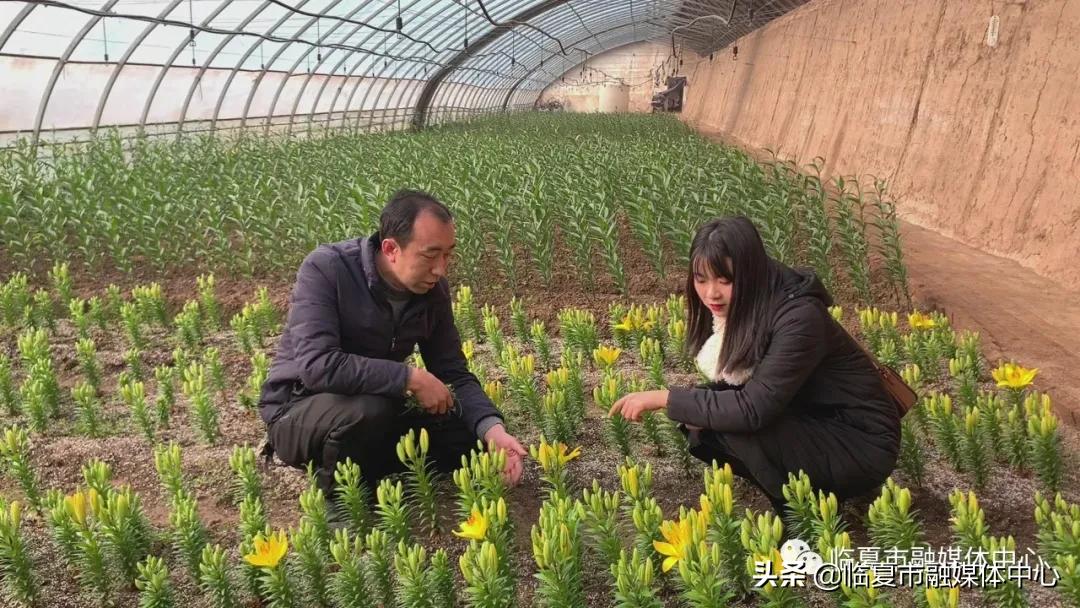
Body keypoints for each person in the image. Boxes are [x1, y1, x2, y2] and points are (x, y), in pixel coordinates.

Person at [609, 216, 900, 515]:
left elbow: (753, 410)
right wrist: (689, 404)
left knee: (730, 423)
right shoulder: (757, 299)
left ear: (751, 273)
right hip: (816, 418)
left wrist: (666, 398)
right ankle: (806, 495)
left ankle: (802, 512)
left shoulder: (800, 318)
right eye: (701, 279)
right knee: (703, 415)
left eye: (725, 280)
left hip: (862, 442)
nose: (711, 293)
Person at [258, 189, 527, 506]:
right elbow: (319, 366)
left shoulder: (432, 291)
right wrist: (409, 378)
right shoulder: (327, 269)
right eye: (430, 255)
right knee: (368, 412)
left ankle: (373, 465)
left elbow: (453, 371)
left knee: (468, 432)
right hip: (299, 410)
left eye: (448, 255)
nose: (441, 269)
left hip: (379, 402)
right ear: (390, 249)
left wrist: (492, 431)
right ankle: (342, 501)